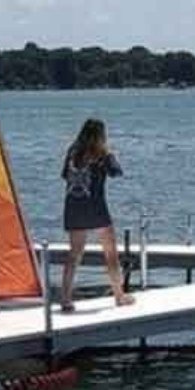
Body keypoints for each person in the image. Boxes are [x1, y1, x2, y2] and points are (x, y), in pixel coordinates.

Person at [60, 118, 134, 312]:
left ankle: (66, 298)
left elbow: (64, 176)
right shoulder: (103, 154)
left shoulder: (72, 152)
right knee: (110, 253)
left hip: (74, 207)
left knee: (74, 254)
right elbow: (117, 172)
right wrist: (111, 155)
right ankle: (119, 296)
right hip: (96, 208)